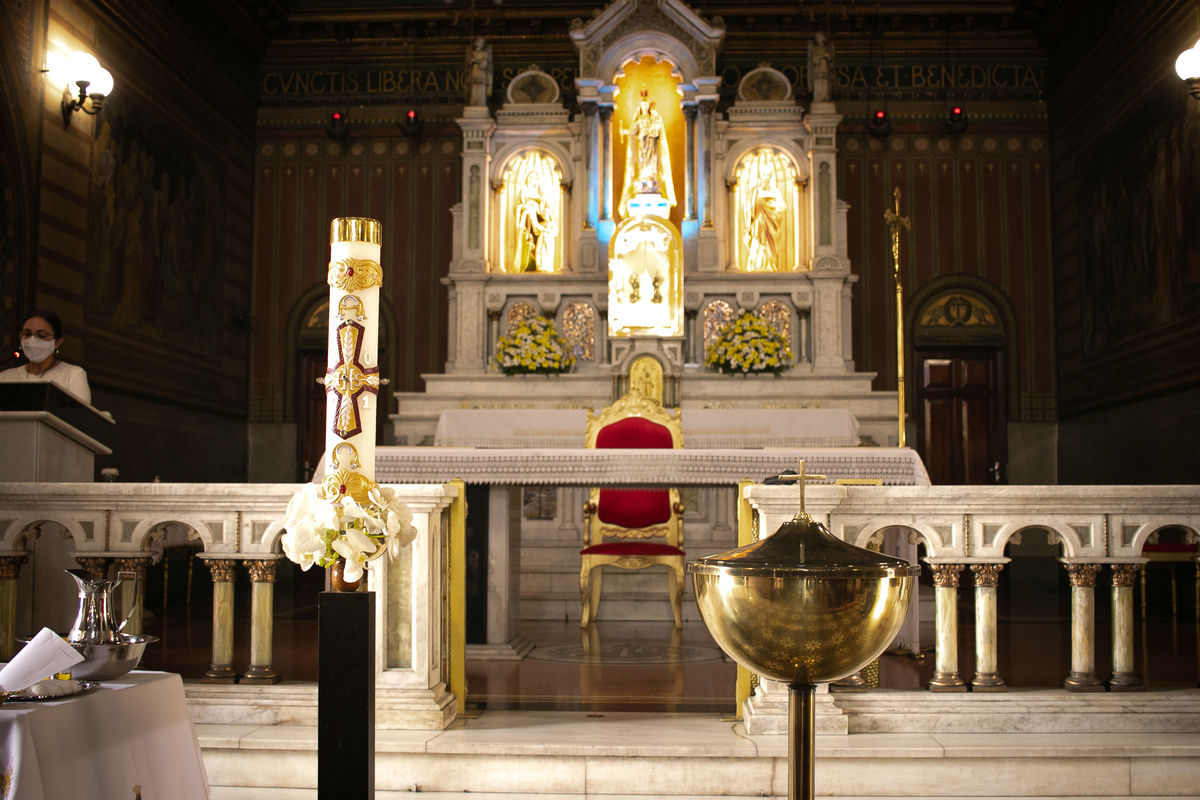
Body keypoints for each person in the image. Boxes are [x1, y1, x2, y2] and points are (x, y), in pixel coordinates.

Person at [0, 310, 92, 404]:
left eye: (42, 335)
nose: (32, 340)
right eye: (27, 334)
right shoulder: (4, 378)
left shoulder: (72, 375)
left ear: (57, 342)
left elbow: (79, 413)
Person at [618, 89, 676, 218]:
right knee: (642, 164)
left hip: (652, 145)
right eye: (642, 105)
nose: (644, 107)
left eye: (646, 105)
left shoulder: (653, 119)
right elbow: (633, 131)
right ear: (640, 107)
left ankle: (651, 179)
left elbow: (658, 129)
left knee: (652, 163)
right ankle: (643, 180)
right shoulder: (639, 119)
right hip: (641, 145)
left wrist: (653, 125)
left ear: (649, 106)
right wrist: (625, 131)